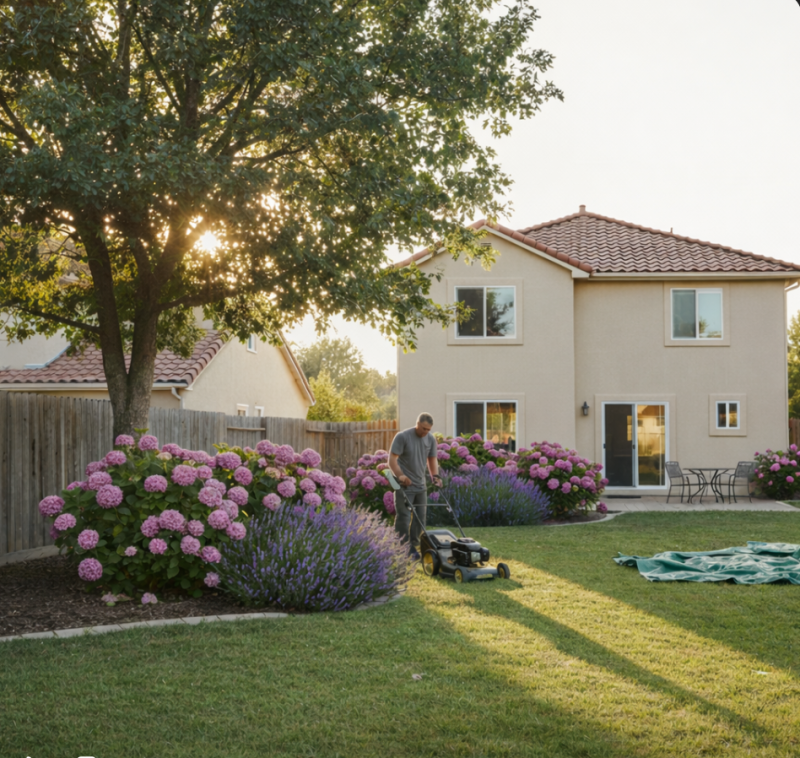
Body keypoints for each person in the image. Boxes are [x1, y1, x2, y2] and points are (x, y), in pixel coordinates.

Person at [389, 412, 441, 559]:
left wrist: (435, 477)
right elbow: (392, 460)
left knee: (420, 518)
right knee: (404, 517)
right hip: (404, 486)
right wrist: (400, 475)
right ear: (417, 424)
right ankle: (403, 547)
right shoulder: (403, 436)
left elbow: (432, 459)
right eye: (423, 428)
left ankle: (414, 544)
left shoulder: (430, 439)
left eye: (428, 429)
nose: (425, 432)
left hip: (420, 485)